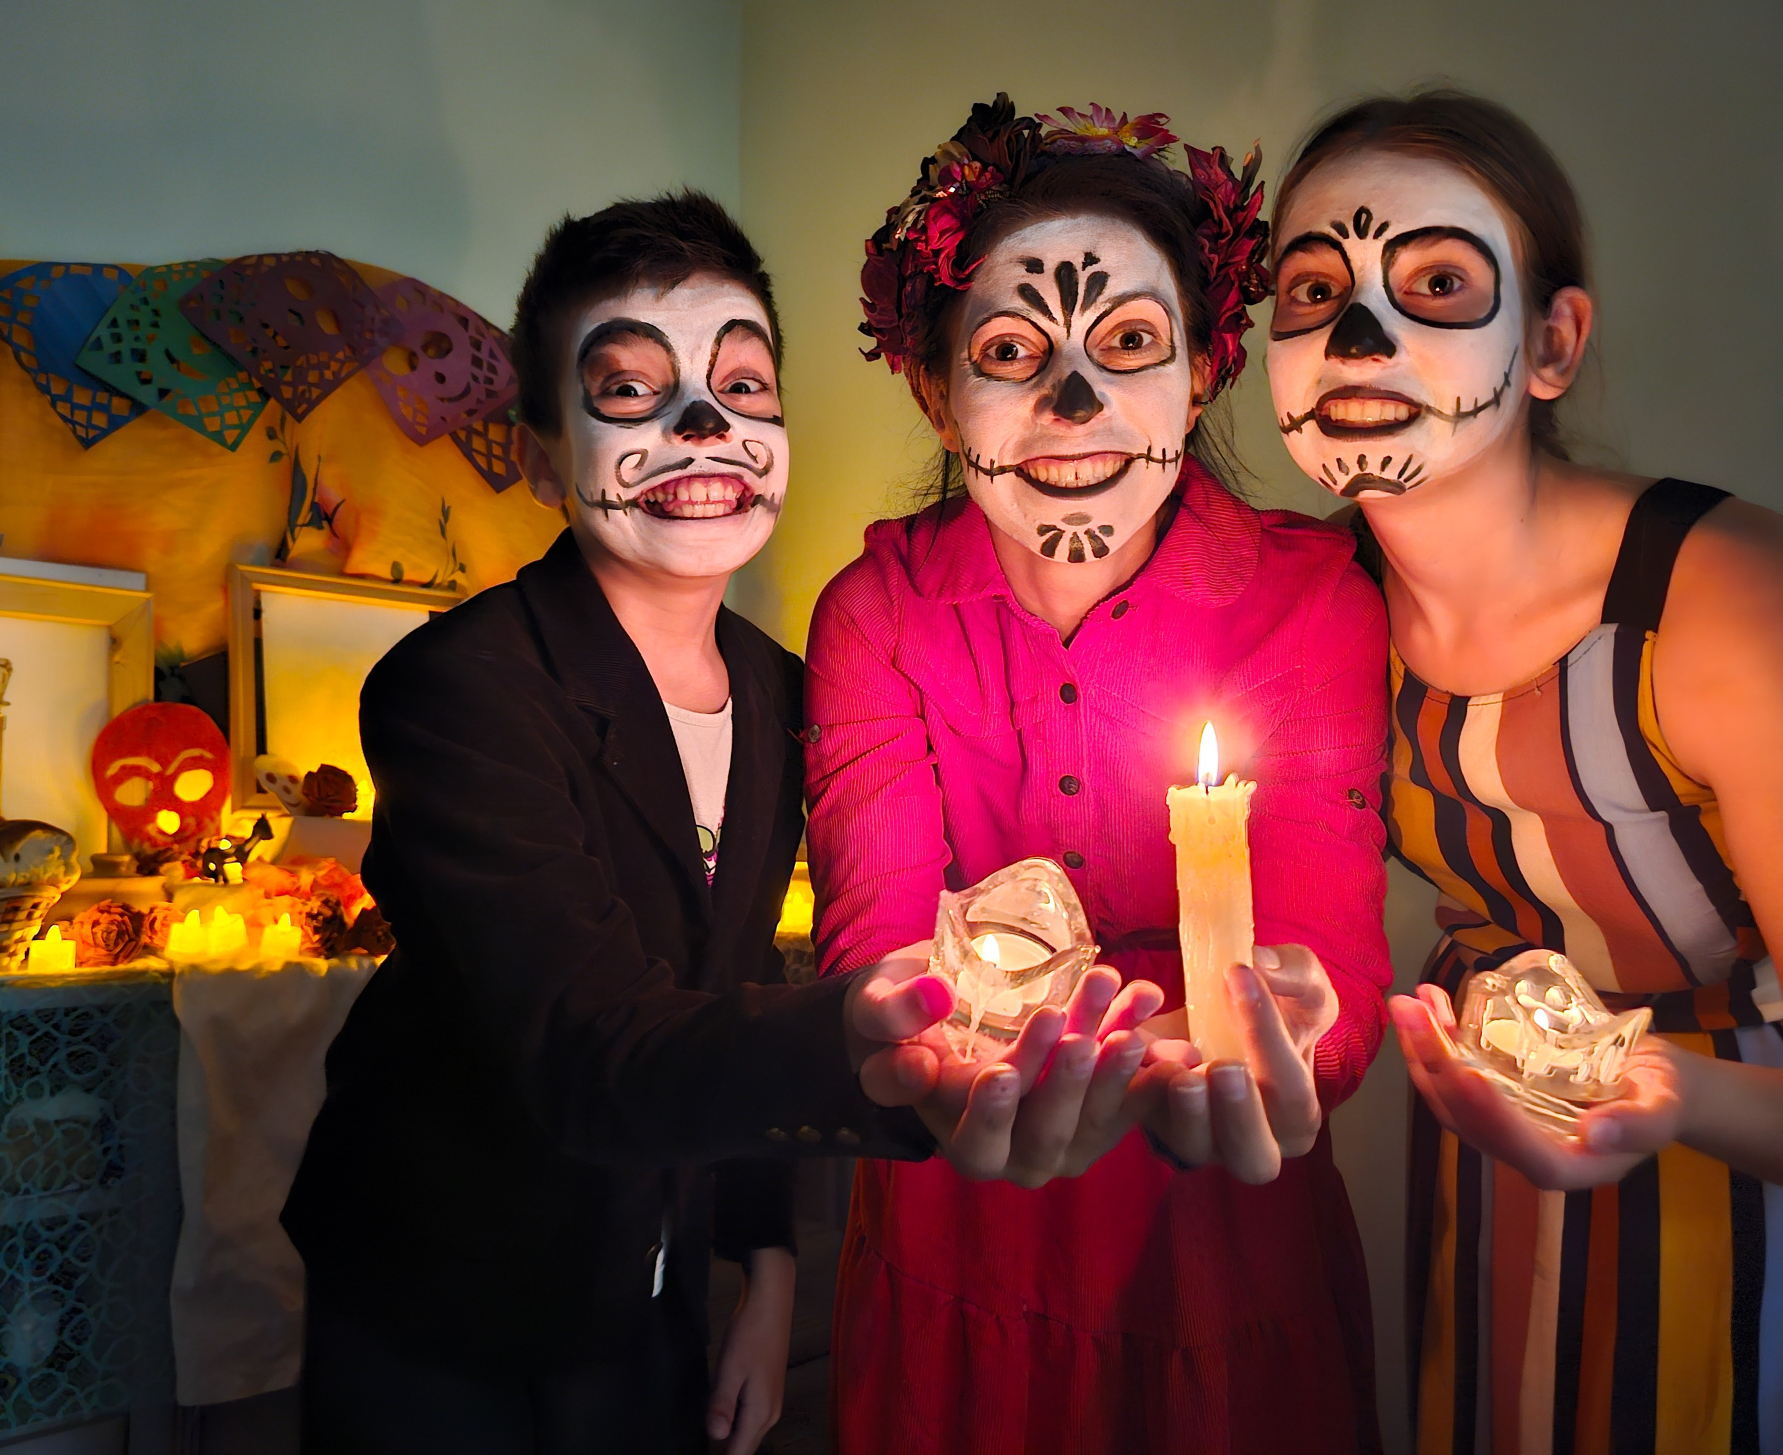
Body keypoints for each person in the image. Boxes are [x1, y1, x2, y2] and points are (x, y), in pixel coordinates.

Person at [283, 191, 1159, 1454]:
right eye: (629, 390)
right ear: (542, 458)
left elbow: (732, 984)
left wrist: (766, 1267)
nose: (705, 427)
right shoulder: (456, 692)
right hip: (442, 1290)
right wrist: (859, 1037)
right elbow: (590, 1049)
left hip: (655, 1279)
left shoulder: (784, 689)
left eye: (742, 385)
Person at [807, 96, 1393, 1453]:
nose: (1073, 403)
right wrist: (917, 1056)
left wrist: (1300, 1042)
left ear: (1201, 371)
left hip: (1216, 1250)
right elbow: (874, 949)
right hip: (958, 1234)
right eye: (1011, 351)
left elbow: (1327, 961)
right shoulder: (875, 615)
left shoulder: (1309, 602)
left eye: (1127, 343)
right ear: (935, 395)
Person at [1263, 89, 1783, 1452]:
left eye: (1437, 282)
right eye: (1310, 290)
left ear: (1548, 344)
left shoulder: (1723, 602)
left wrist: (1660, 1092)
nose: (1356, 336)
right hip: (1489, 1181)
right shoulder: (1321, 602)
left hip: (1736, 1197)